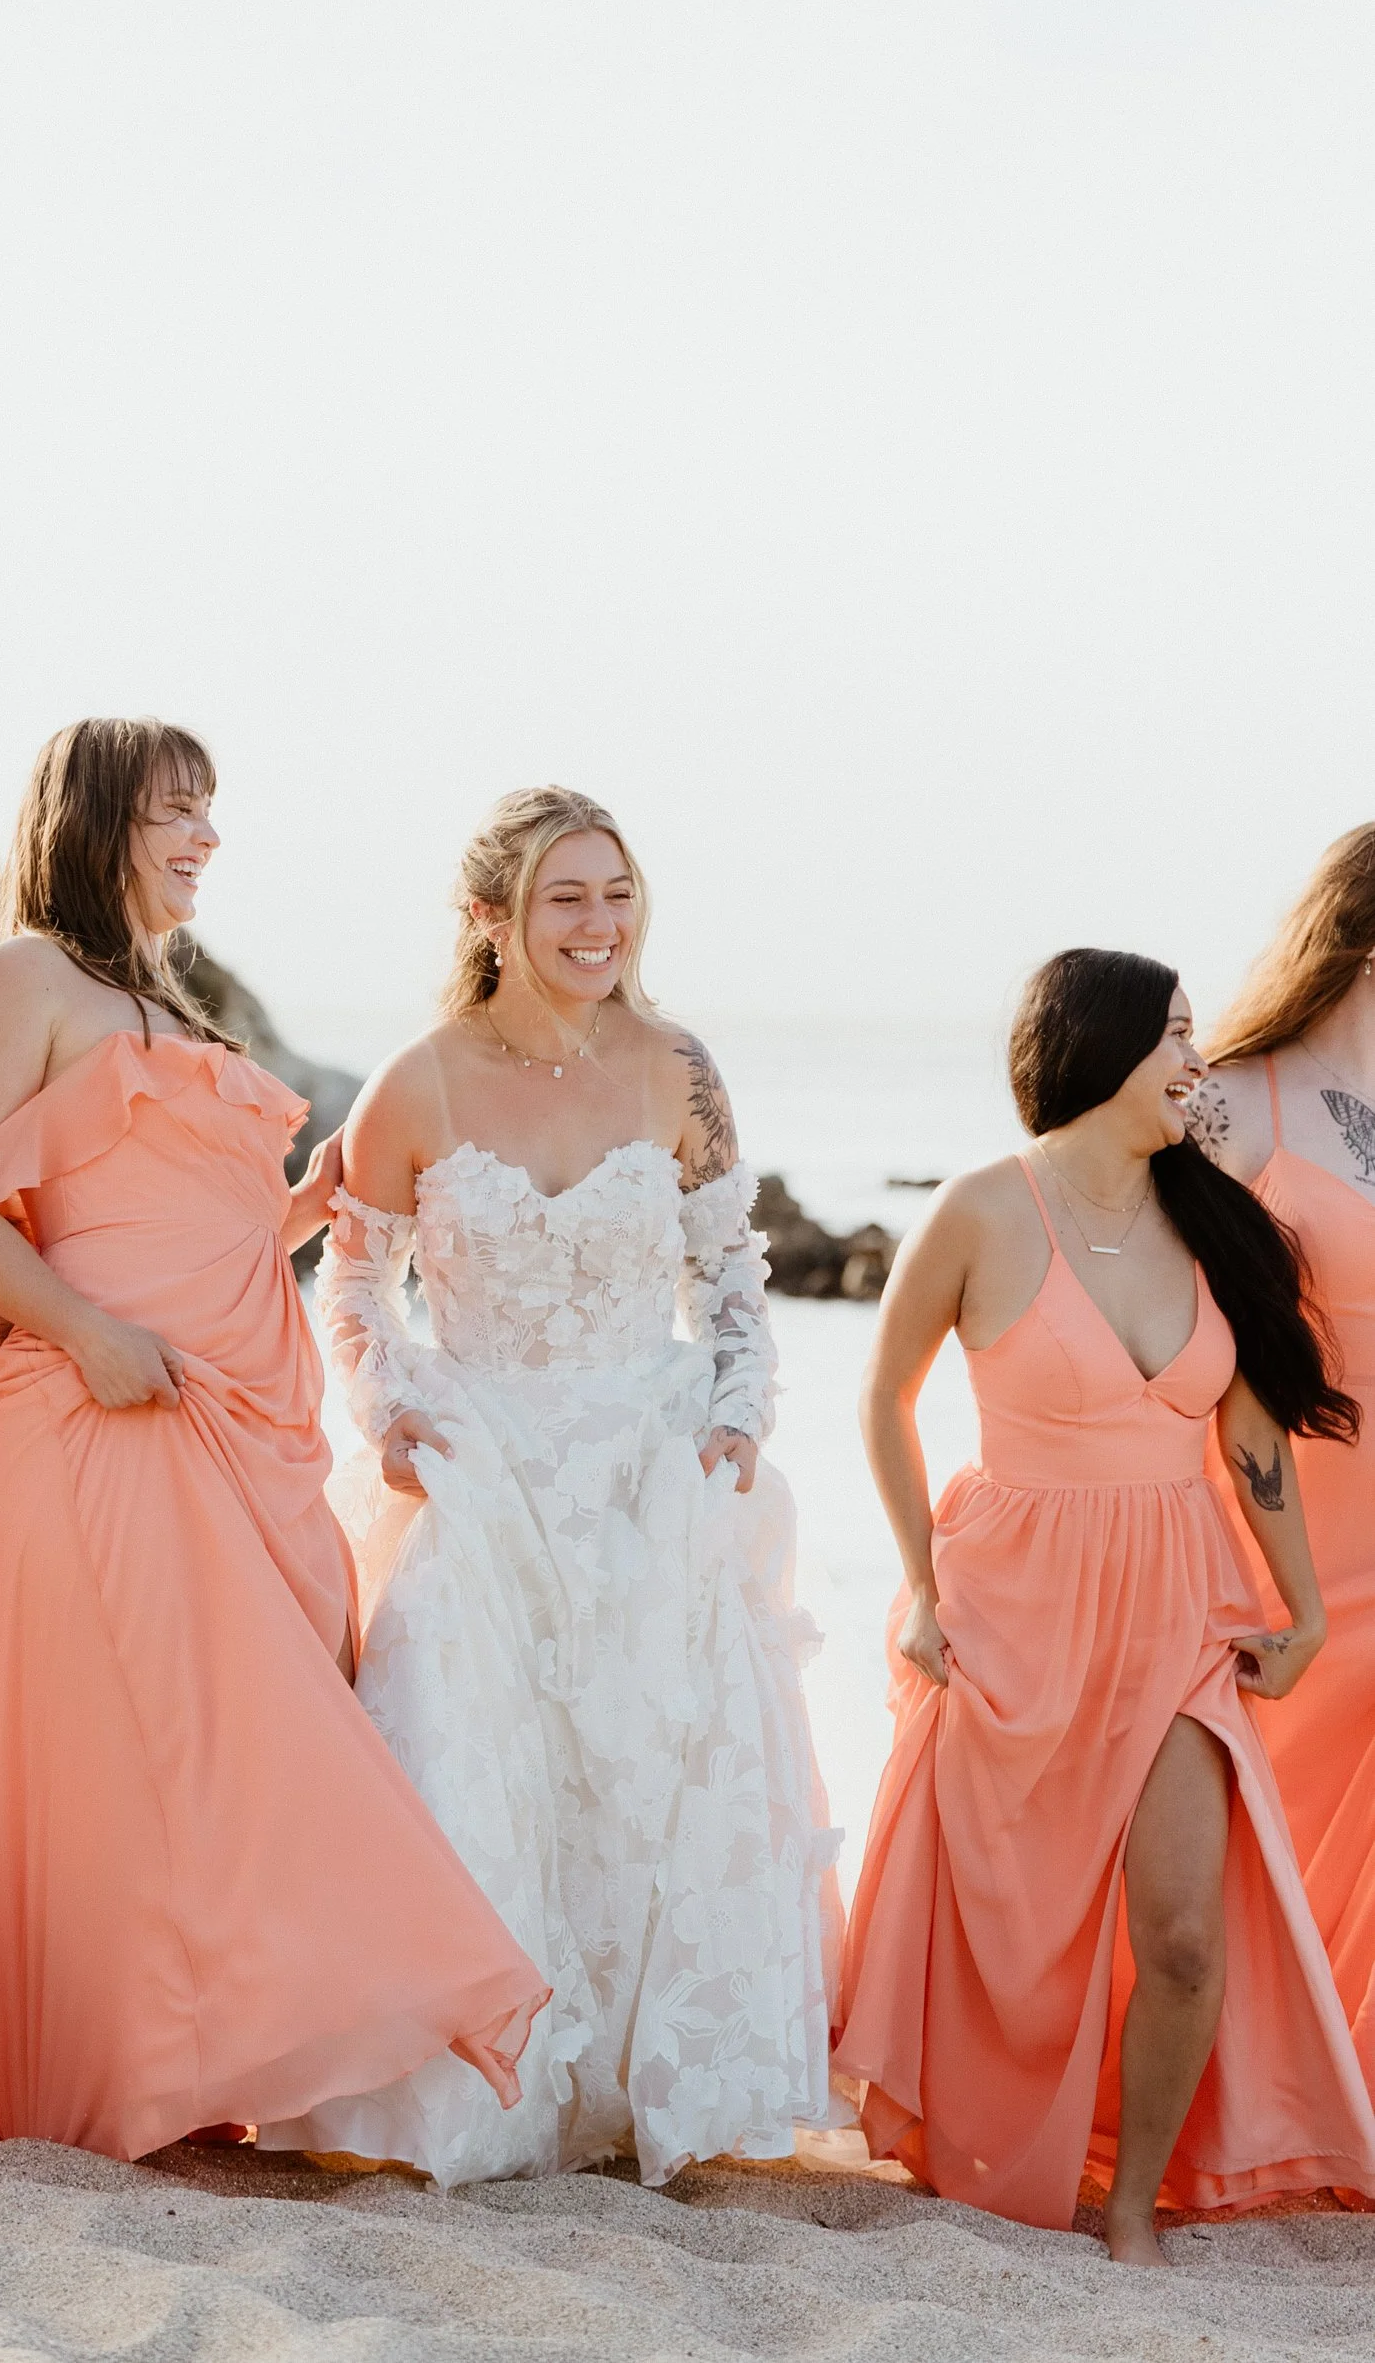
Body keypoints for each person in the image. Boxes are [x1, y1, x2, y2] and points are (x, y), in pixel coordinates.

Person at [0, 716, 545, 2161]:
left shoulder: (164, 998)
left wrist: (300, 1216)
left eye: (209, 814)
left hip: (236, 1419)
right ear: (94, 820)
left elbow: (183, 1219)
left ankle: (217, 2068)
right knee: (154, 1748)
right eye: (174, 812)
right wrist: (90, 1336)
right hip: (101, 1416)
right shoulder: (23, 980)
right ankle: (113, 2096)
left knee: (251, 1730)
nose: (202, 839)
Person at [261, 785, 845, 2188]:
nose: (599, 924)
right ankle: (475, 2099)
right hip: (480, 1465)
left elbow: (732, 1281)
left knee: (658, 1778)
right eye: (565, 898)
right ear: (492, 920)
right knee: (478, 1770)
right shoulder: (423, 1077)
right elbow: (350, 1276)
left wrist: (734, 1418)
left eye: (615, 893)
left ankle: (652, 2097)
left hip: (648, 1469)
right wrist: (388, 1413)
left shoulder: (676, 1067)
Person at [833, 948, 1375, 2264]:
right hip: (1013, 1600)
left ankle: (1132, 2205)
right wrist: (916, 1582)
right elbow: (883, 1401)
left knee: (1183, 1934)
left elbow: (1248, 1435)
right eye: (1174, 1038)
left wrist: (1295, 1608)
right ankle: (988, 2151)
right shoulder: (977, 1210)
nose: (1198, 1065)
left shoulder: (1214, 1224)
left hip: (1177, 1607)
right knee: (1010, 1930)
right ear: (1099, 1049)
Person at [1188, 825, 1375, 2084]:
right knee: (1287, 1791)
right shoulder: (1226, 1096)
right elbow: (1143, 1314)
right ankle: (1265, 2082)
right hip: (1294, 1508)